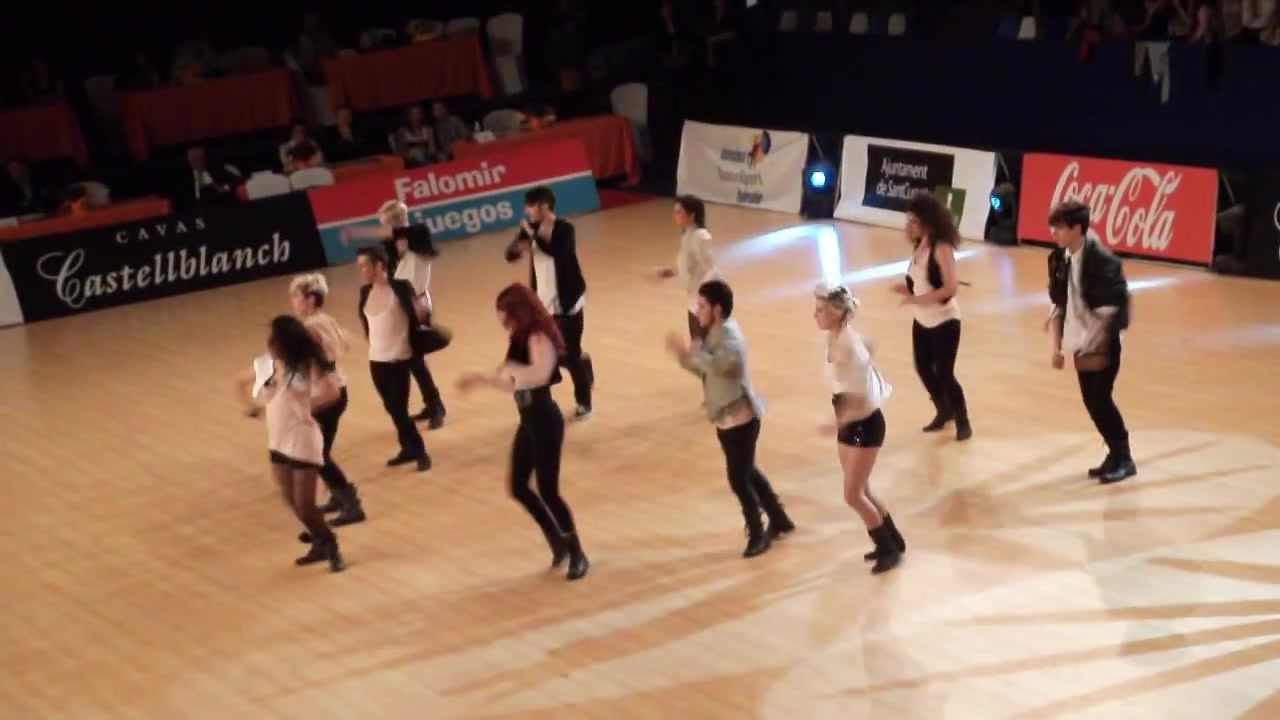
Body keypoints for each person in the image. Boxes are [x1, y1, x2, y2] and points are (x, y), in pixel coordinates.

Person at [457, 284, 590, 581]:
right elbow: (512, 383)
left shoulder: (539, 337)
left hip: (545, 420)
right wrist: (482, 379)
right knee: (517, 485)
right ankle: (556, 540)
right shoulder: (518, 338)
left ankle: (577, 552)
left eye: (504, 313)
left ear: (518, 311)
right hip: (528, 419)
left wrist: (507, 369)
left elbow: (538, 374)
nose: (501, 319)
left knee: (548, 490)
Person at [665, 279, 795, 558]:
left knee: (738, 478)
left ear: (717, 309)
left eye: (702, 306)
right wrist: (684, 356)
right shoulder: (714, 333)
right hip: (725, 417)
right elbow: (704, 370)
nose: (697, 310)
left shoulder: (731, 338)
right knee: (747, 471)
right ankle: (779, 519)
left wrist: (694, 352)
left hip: (741, 419)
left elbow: (722, 368)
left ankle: (758, 533)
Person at [234, 315, 346, 572]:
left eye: (275, 340)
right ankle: (319, 542)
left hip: (303, 441)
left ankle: (330, 543)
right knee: (291, 501)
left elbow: (332, 392)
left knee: (305, 505)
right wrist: (251, 408)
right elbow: (238, 382)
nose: (271, 345)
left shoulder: (306, 366)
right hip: (278, 442)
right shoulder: (266, 365)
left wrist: (305, 407)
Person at [813, 282, 905, 574]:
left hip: (864, 423)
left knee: (852, 494)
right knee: (861, 489)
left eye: (820, 310)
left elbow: (860, 398)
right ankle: (892, 539)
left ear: (836, 312)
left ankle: (888, 549)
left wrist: (836, 422)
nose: (815, 315)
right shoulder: (838, 338)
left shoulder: (847, 345)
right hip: (849, 419)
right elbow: (868, 347)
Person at [1046, 200, 1137, 484]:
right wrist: (1058, 346)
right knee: (1091, 402)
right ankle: (1114, 454)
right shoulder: (1058, 259)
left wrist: (1095, 345)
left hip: (1103, 343)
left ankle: (1124, 458)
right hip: (1080, 341)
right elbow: (1059, 302)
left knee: (1101, 399)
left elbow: (1116, 307)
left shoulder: (1104, 262)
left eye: (1059, 227)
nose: (1053, 233)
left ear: (1077, 229)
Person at [343, 201, 447, 428]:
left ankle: (436, 406)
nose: (384, 230)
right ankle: (433, 405)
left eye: (385, 224)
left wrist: (356, 232)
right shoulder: (388, 247)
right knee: (412, 361)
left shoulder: (420, 233)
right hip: (398, 306)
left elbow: (397, 234)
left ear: (396, 221)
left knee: (416, 360)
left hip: (418, 304)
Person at [504, 186, 594, 419]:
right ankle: (545, 405)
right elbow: (510, 255)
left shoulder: (565, 229)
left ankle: (584, 402)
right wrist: (516, 247)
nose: (527, 210)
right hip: (541, 305)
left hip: (568, 303)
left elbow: (556, 252)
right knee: (543, 355)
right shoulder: (529, 229)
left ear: (544, 207)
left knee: (570, 354)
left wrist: (532, 237)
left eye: (530, 206)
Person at [287, 273, 366, 528]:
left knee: (315, 455)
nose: (292, 301)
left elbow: (310, 362)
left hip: (325, 395)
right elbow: (344, 344)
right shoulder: (326, 320)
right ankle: (338, 496)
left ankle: (352, 504)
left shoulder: (309, 329)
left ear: (310, 299)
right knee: (319, 453)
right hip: (337, 388)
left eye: (296, 296)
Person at [892, 191, 972, 441]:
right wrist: (908, 291)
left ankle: (962, 421)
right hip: (922, 319)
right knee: (924, 368)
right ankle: (943, 410)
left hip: (945, 321)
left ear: (927, 221)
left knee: (945, 373)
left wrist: (915, 299)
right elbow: (923, 281)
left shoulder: (941, 249)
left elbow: (950, 288)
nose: (909, 225)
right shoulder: (920, 245)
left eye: (914, 221)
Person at [354, 245, 432, 471]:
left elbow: (419, 315)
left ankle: (420, 452)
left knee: (399, 410)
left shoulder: (400, 288)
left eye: (364, 265)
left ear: (379, 265)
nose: (361, 270)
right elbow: (368, 323)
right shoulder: (365, 292)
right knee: (392, 408)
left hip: (399, 360)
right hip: (376, 362)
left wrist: (422, 318)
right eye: (359, 266)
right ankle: (407, 448)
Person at [652, 194, 718, 341]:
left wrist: (704, 298)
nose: (674, 217)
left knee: (703, 345)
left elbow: (712, 269)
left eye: (679, 212)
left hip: (703, 301)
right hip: (694, 299)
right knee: (699, 344)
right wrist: (669, 272)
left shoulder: (700, 237)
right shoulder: (687, 236)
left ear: (691, 215)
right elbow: (688, 264)